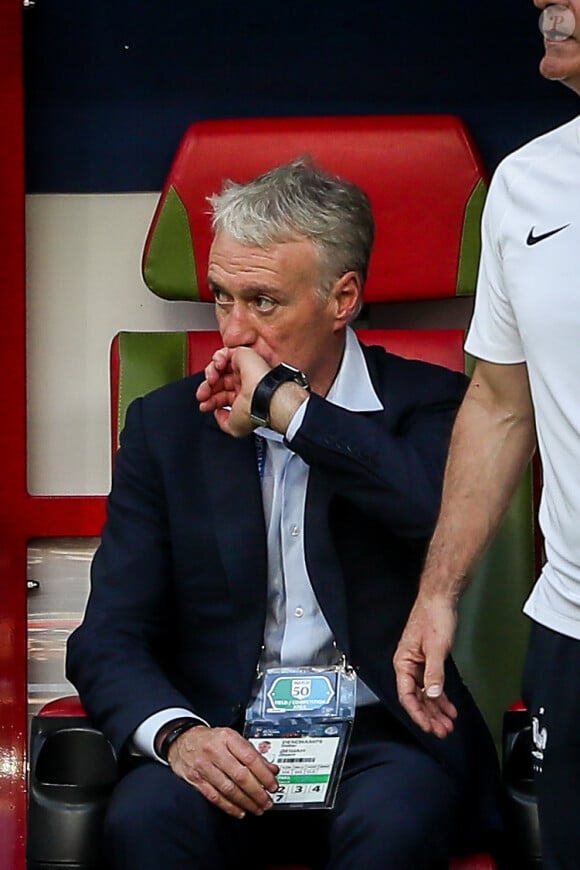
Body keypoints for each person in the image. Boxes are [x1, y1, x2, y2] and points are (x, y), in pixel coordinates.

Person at [66, 156, 504, 869]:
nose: (234, 334)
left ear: (343, 298)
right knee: (146, 821)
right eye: (221, 298)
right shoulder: (168, 426)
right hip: (221, 729)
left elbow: (433, 510)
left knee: (398, 826)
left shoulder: (430, 402)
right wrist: (179, 735)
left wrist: (291, 411)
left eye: (263, 302)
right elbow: (108, 636)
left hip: (381, 737)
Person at [393, 2, 580, 868]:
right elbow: (501, 403)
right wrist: (440, 593)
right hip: (574, 628)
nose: (550, 6)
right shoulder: (526, 183)